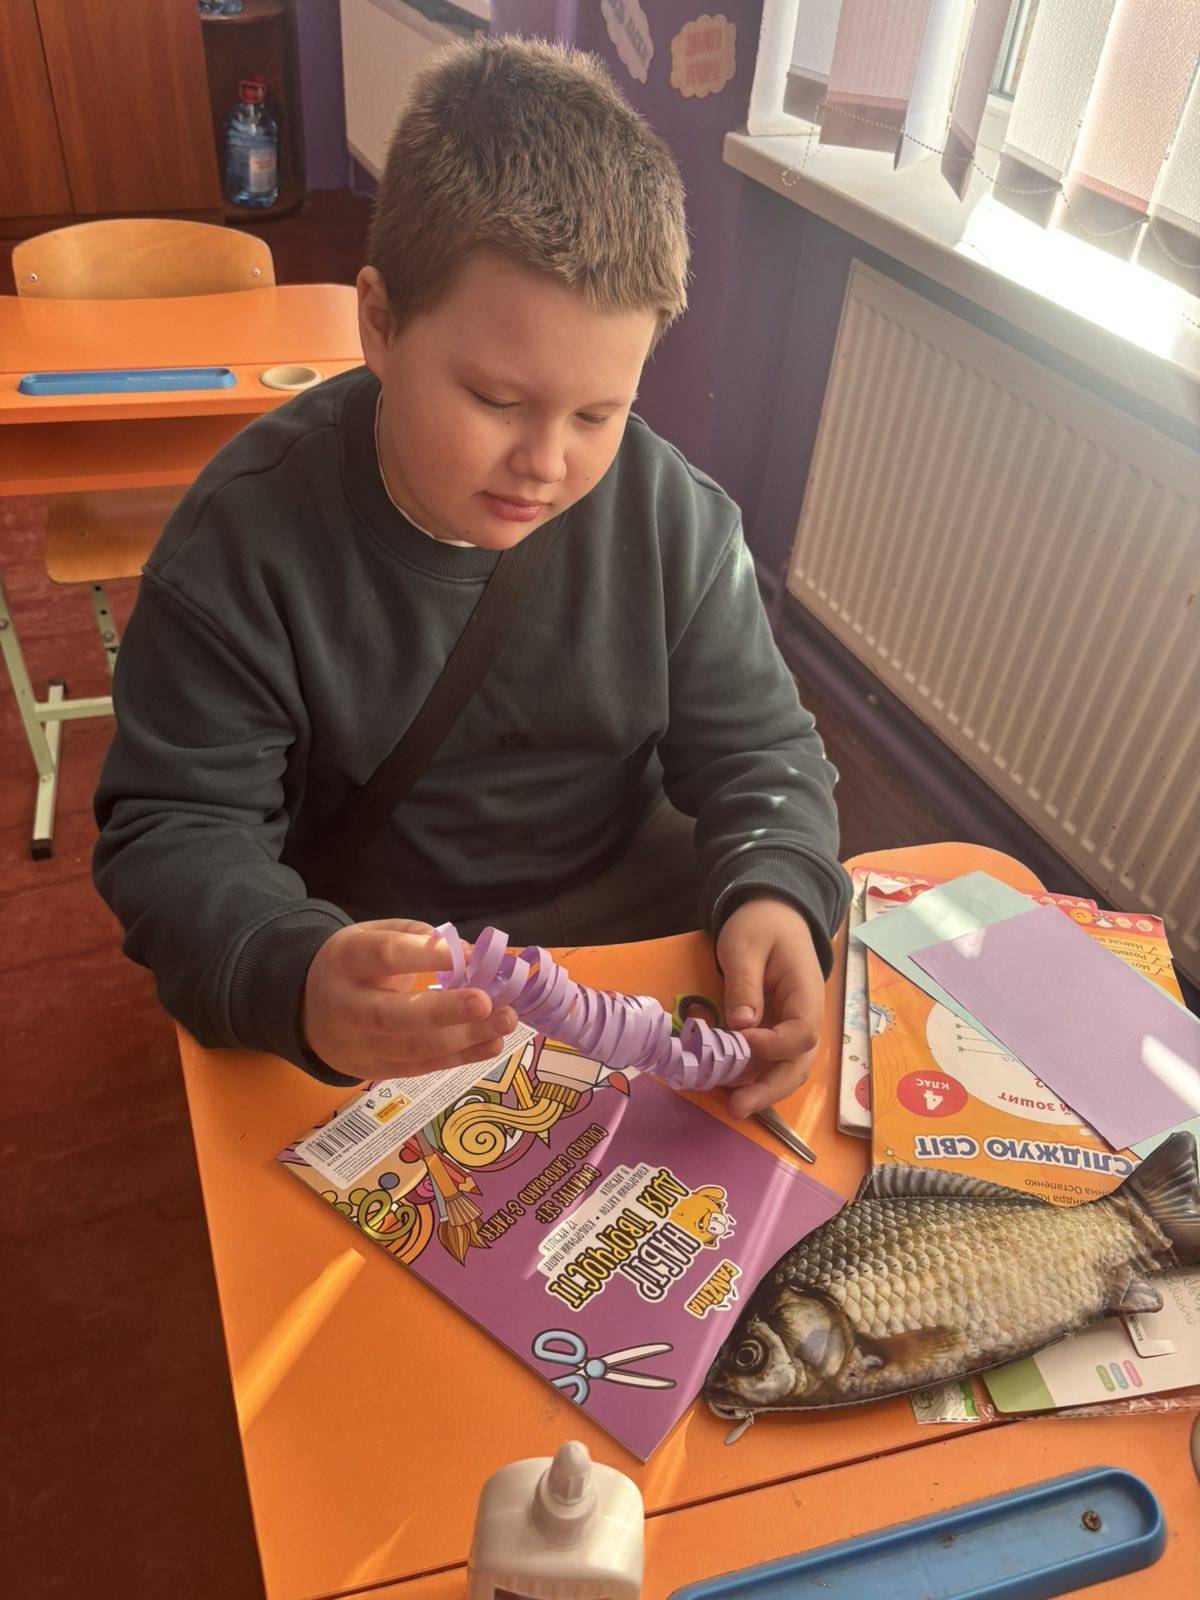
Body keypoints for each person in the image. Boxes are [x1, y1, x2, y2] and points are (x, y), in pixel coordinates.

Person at [93, 36, 851, 1117]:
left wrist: (777, 887)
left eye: (599, 413)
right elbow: (178, 830)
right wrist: (294, 973)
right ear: (379, 322)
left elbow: (762, 751)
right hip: (397, 973)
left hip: (639, 942)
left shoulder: (671, 517)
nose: (547, 462)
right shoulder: (240, 547)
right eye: (497, 400)